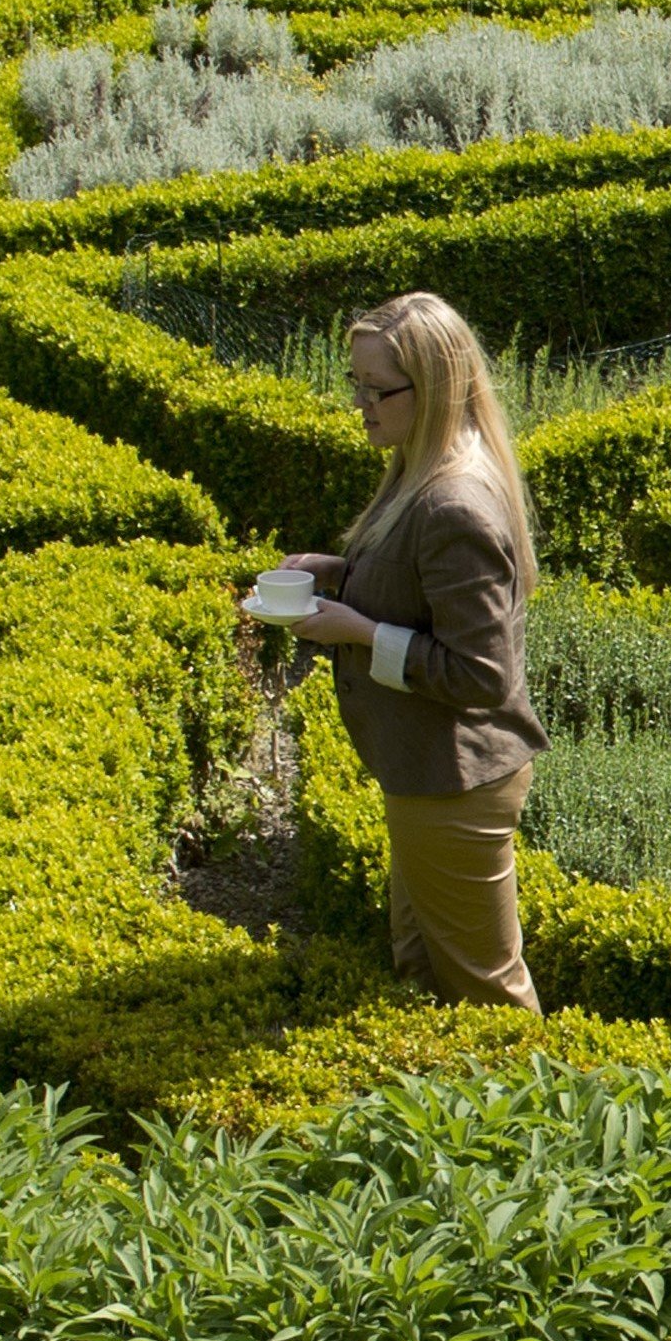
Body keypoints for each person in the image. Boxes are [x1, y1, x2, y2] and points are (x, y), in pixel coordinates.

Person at [252, 288, 543, 1007]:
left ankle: (543, 1119)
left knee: (485, 991)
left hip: (455, 782)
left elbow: (480, 675)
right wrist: (340, 574)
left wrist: (357, 631)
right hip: (428, 776)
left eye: (377, 389)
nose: (361, 403)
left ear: (435, 389)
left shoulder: (452, 502)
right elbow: (418, 588)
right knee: (420, 969)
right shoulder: (419, 466)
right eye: (355, 383)